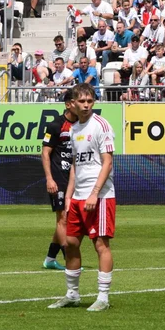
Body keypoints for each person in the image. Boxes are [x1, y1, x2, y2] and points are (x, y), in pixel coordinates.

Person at [48, 83, 116, 312]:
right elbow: (76, 166)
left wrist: (95, 194)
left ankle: (103, 298)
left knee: (100, 245)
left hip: (100, 196)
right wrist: (68, 196)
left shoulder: (101, 126)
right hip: (77, 197)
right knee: (70, 243)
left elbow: (107, 162)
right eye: (82, 101)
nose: (86, 105)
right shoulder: (74, 129)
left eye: (90, 101)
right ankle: (72, 295)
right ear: (73, 103)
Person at [40, 90, 78, 271]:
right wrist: (49, 178)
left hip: (75, 178)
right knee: (63, 219)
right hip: (58, 178)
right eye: (77, 101)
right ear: (69, 104)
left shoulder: (83, 125)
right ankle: (70, 259)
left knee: (64, 220)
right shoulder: (56, 125)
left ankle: (49, 259)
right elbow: (45, 153)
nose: (83, 105)